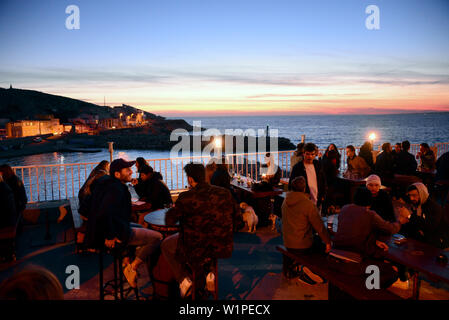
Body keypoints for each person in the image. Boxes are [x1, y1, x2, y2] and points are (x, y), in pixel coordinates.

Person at [160, 163, 242, 298]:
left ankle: (184, 279)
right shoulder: (225, 193)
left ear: (190, 179)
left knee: (166, 245)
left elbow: (169, 221)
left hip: (195, 247)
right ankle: (210, 273)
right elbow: (238, 220)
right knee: (208, 247)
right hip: (222, 245)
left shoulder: (186, 197)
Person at [85, 158, 163, 288]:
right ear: (117, 174)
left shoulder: (109, 185)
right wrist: (109, 235)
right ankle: (132, 267)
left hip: (113, 228)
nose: (131, 172)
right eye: (127, 170)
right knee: (157, 237)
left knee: (138, 226)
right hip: (115, 232)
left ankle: (126, 260)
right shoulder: (115, 190)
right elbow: (105, 213)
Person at [332, 187, 407, 288]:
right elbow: (391, 229)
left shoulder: (345, 208)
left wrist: (374, 240)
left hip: (333, 257)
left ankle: (365, 287)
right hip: (352, 263)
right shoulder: (369, 214)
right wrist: (400, 221)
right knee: (392, 271)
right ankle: (367, 290)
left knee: (376, 264)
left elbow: (353, 231)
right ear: (369, 201)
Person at [282, 176, 331, 285]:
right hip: (302, 245)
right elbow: (319, 226)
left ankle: (299, 270)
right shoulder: (308, 204)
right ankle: (313, 272)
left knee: (315, 240)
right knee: (322, 246)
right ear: (304, 189)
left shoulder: (286, 201)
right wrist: (328, 242)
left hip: (287, 241)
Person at [401, 183, 447, 248]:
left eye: (414, 195)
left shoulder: (435, 207)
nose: (411, 198)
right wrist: (403, 222)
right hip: (420, 239)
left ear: (422, 194)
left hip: (434, 243)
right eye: (410, 195)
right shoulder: (418, 205)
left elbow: (429, 226)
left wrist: (409, 216)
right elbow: (416, 224)